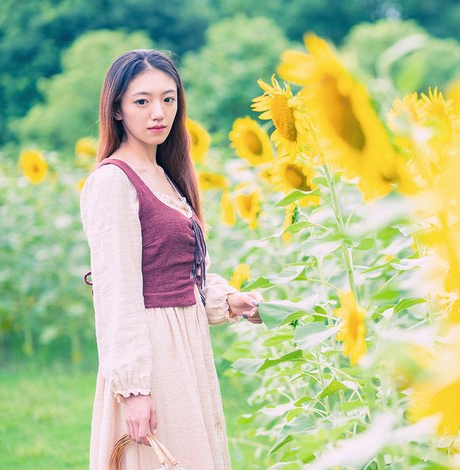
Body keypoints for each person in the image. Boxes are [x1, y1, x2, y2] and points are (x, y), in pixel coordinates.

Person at [79, 49, 263, 470]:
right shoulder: (113, 182)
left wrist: (226, 300)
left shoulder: (167, 176)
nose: (157, 112)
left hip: (186, 344)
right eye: (141, 101)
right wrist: (135, 389)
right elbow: (117, 292)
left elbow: (183, 272)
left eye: (168, 99)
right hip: (151, 352)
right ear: (118, 109)